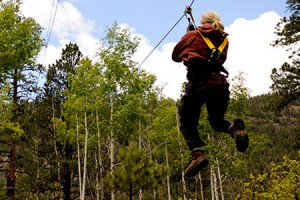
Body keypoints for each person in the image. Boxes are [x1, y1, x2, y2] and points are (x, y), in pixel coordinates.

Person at [172, 11, 249, 178]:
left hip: (199, 84)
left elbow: (176, 56)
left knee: (186, 121)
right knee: (216, 121)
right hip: (219, 85)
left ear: (202, 21)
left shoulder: (193, 35)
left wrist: (188, 36)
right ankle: (233, 129)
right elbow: (214, 57)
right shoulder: (224, 39)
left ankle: (197, 154)